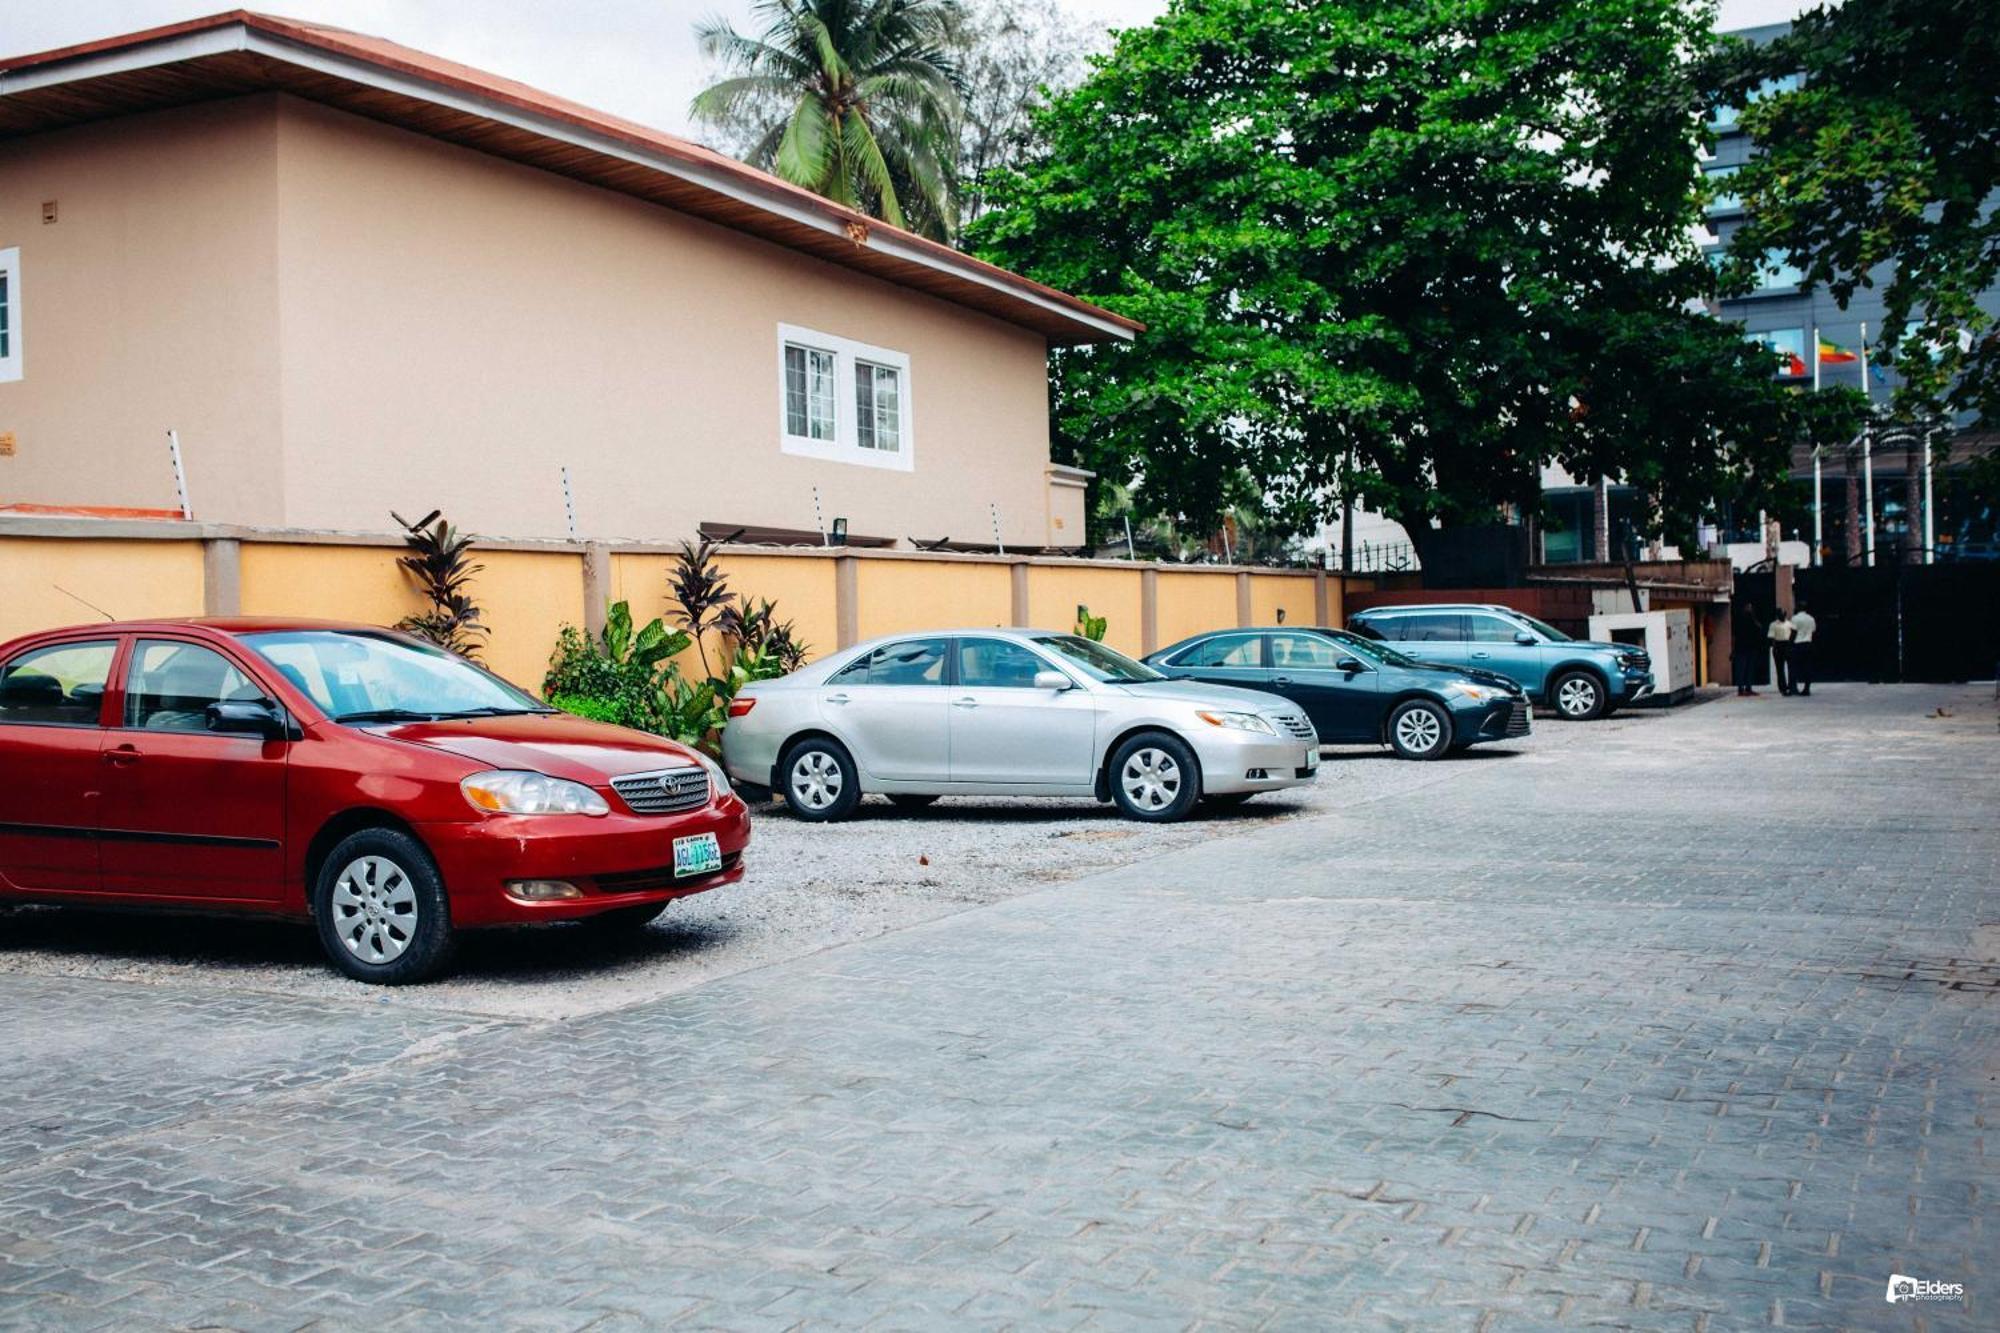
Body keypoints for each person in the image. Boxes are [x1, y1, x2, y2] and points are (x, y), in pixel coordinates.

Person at [1732, 600, 1763, 696]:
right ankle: (1741, 689)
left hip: (1750, 647)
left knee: (1749, 669)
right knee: (1742, 669)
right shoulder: (1740, 620)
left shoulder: (1752, 620)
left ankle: (1748, 687)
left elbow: (1759, 628)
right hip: (1742, 648)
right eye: (1748, 607)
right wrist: (1733, 649)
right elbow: (1735, 635)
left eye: (1750, 607)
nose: (1750, 609)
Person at [1790, 601, 1816, 697]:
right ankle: (1807, 688)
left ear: (1798, 608)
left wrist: (1790, 644)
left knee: (1794, 667)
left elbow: (1793, 632)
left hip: (1798, 644)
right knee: (1807, 667)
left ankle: (1794, 688)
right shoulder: (1811, 618)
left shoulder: (1795, 618)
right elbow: (1813, 631)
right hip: (1808, 644)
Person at [1767, 607, 1796, 695]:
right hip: (1778, 645)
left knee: (1791, 667)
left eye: (1783, 614)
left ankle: (1792, 686)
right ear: (1777, 615)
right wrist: (1774, 648)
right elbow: (1771, 638)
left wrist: (1791, 641)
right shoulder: (1773, 624)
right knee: (1780, 668)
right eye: (1780, 614)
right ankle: (1783, 687)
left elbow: (1794, 632)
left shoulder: (1789, 624)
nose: (1782, 616)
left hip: (1788, 645)